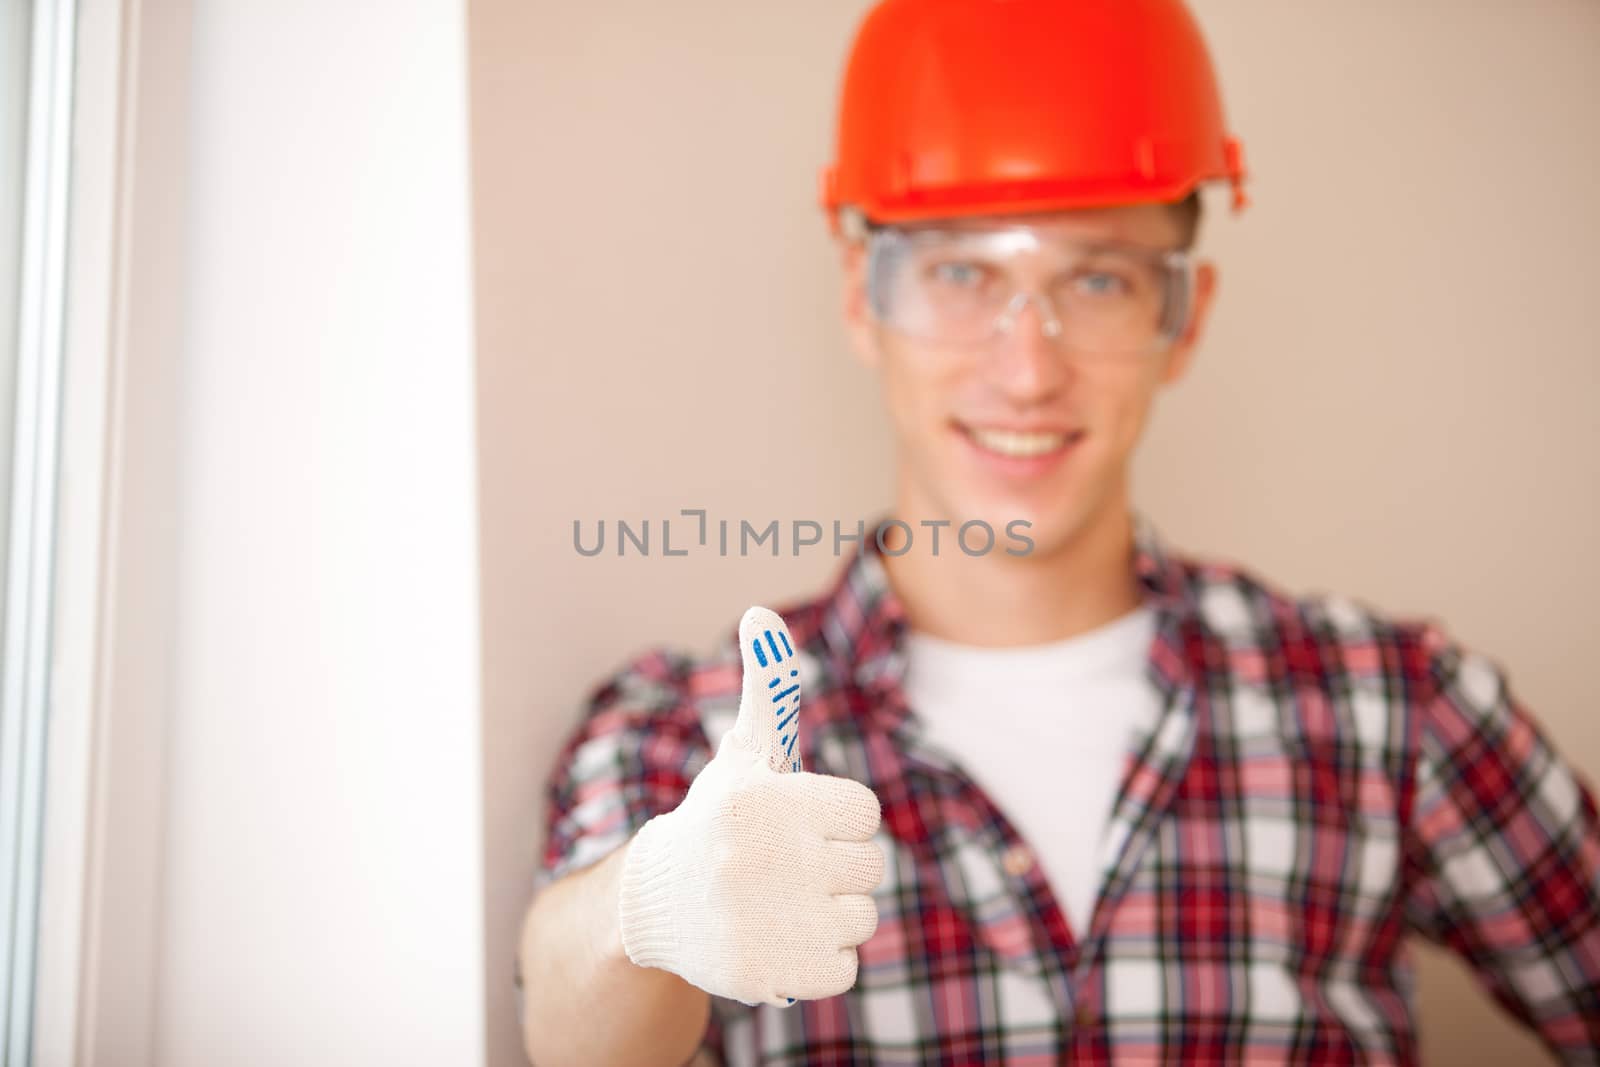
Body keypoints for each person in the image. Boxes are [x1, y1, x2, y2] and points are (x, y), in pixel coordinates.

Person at [515, 1, 1600, 1063]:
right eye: (960, 273)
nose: (1028, 369)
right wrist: (652, 902)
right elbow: (567, 1034)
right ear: (861, 297)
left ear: (1183, 315)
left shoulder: (1391, 707)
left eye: (1096, 277)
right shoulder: (680, 730)